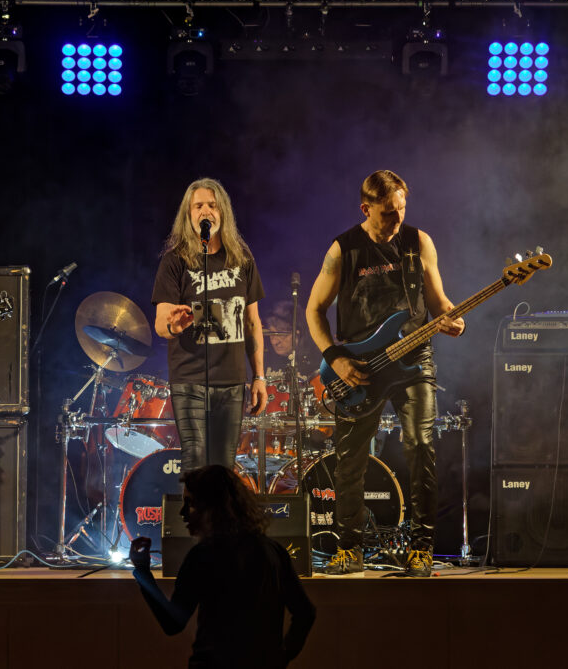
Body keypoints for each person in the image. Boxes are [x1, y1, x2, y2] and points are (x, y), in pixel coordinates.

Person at [305, 170, 465, 576]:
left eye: (401, 210)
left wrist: (452, 318)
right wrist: (336, 358)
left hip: (414, 360)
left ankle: (421, 549)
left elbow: (439, 302)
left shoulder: (418, 242)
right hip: (360, 367)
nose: (397, 219)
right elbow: (314, 310)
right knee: (350, 461)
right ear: (366, 208)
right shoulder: (343, 250)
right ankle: (349, 550)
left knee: (421, 446)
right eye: (388, 213)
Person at [130, 465, 315, 668]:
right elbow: (305, 612)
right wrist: (282, 656)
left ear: (212, 508)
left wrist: (142, 571)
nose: (182, 513)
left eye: (190, 503)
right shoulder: (274, 551)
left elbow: (172, 624)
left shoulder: (202, 555)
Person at [152, 178, 266, 473]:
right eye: (198, 206)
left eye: (212, 205)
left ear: (222, 212)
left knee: (223, 469)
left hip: (231, 382)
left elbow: (252, 322)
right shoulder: (175, 261)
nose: (206, 211)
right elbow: (161, 322)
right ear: (188, 214)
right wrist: (174, 325)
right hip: (190, 379)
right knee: (196, 465)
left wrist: (259, 377)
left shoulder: (241, 258)